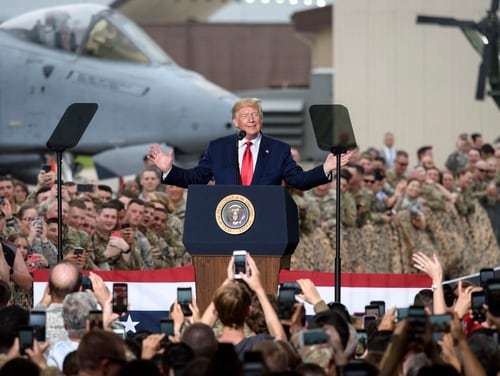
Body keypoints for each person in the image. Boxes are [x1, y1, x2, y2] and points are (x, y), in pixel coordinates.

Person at [149, 98, 352, 189]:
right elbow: (197, 177)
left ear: (261, 119)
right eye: (245, 116)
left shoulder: (278, 150)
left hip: (264, 223)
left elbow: (298, 180)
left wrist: (326, 167)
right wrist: (170, 170)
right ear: (235, 122)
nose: (251, 119)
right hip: (227, 220)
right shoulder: (218, 148)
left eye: (255, 115)